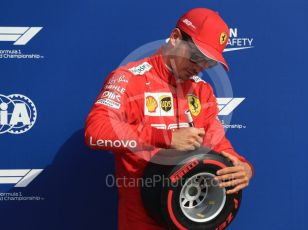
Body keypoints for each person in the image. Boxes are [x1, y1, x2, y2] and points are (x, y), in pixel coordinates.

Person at [85, 7, 253, 230]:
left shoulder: (202, 92)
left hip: (190, 219)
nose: (199, 68)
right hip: (142, 220)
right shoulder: (130, 79)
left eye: (208, 63)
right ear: (175, 38)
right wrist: (165, 137)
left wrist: (241, 166)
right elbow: (95, 131)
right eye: (196, 57)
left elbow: (218, 145)